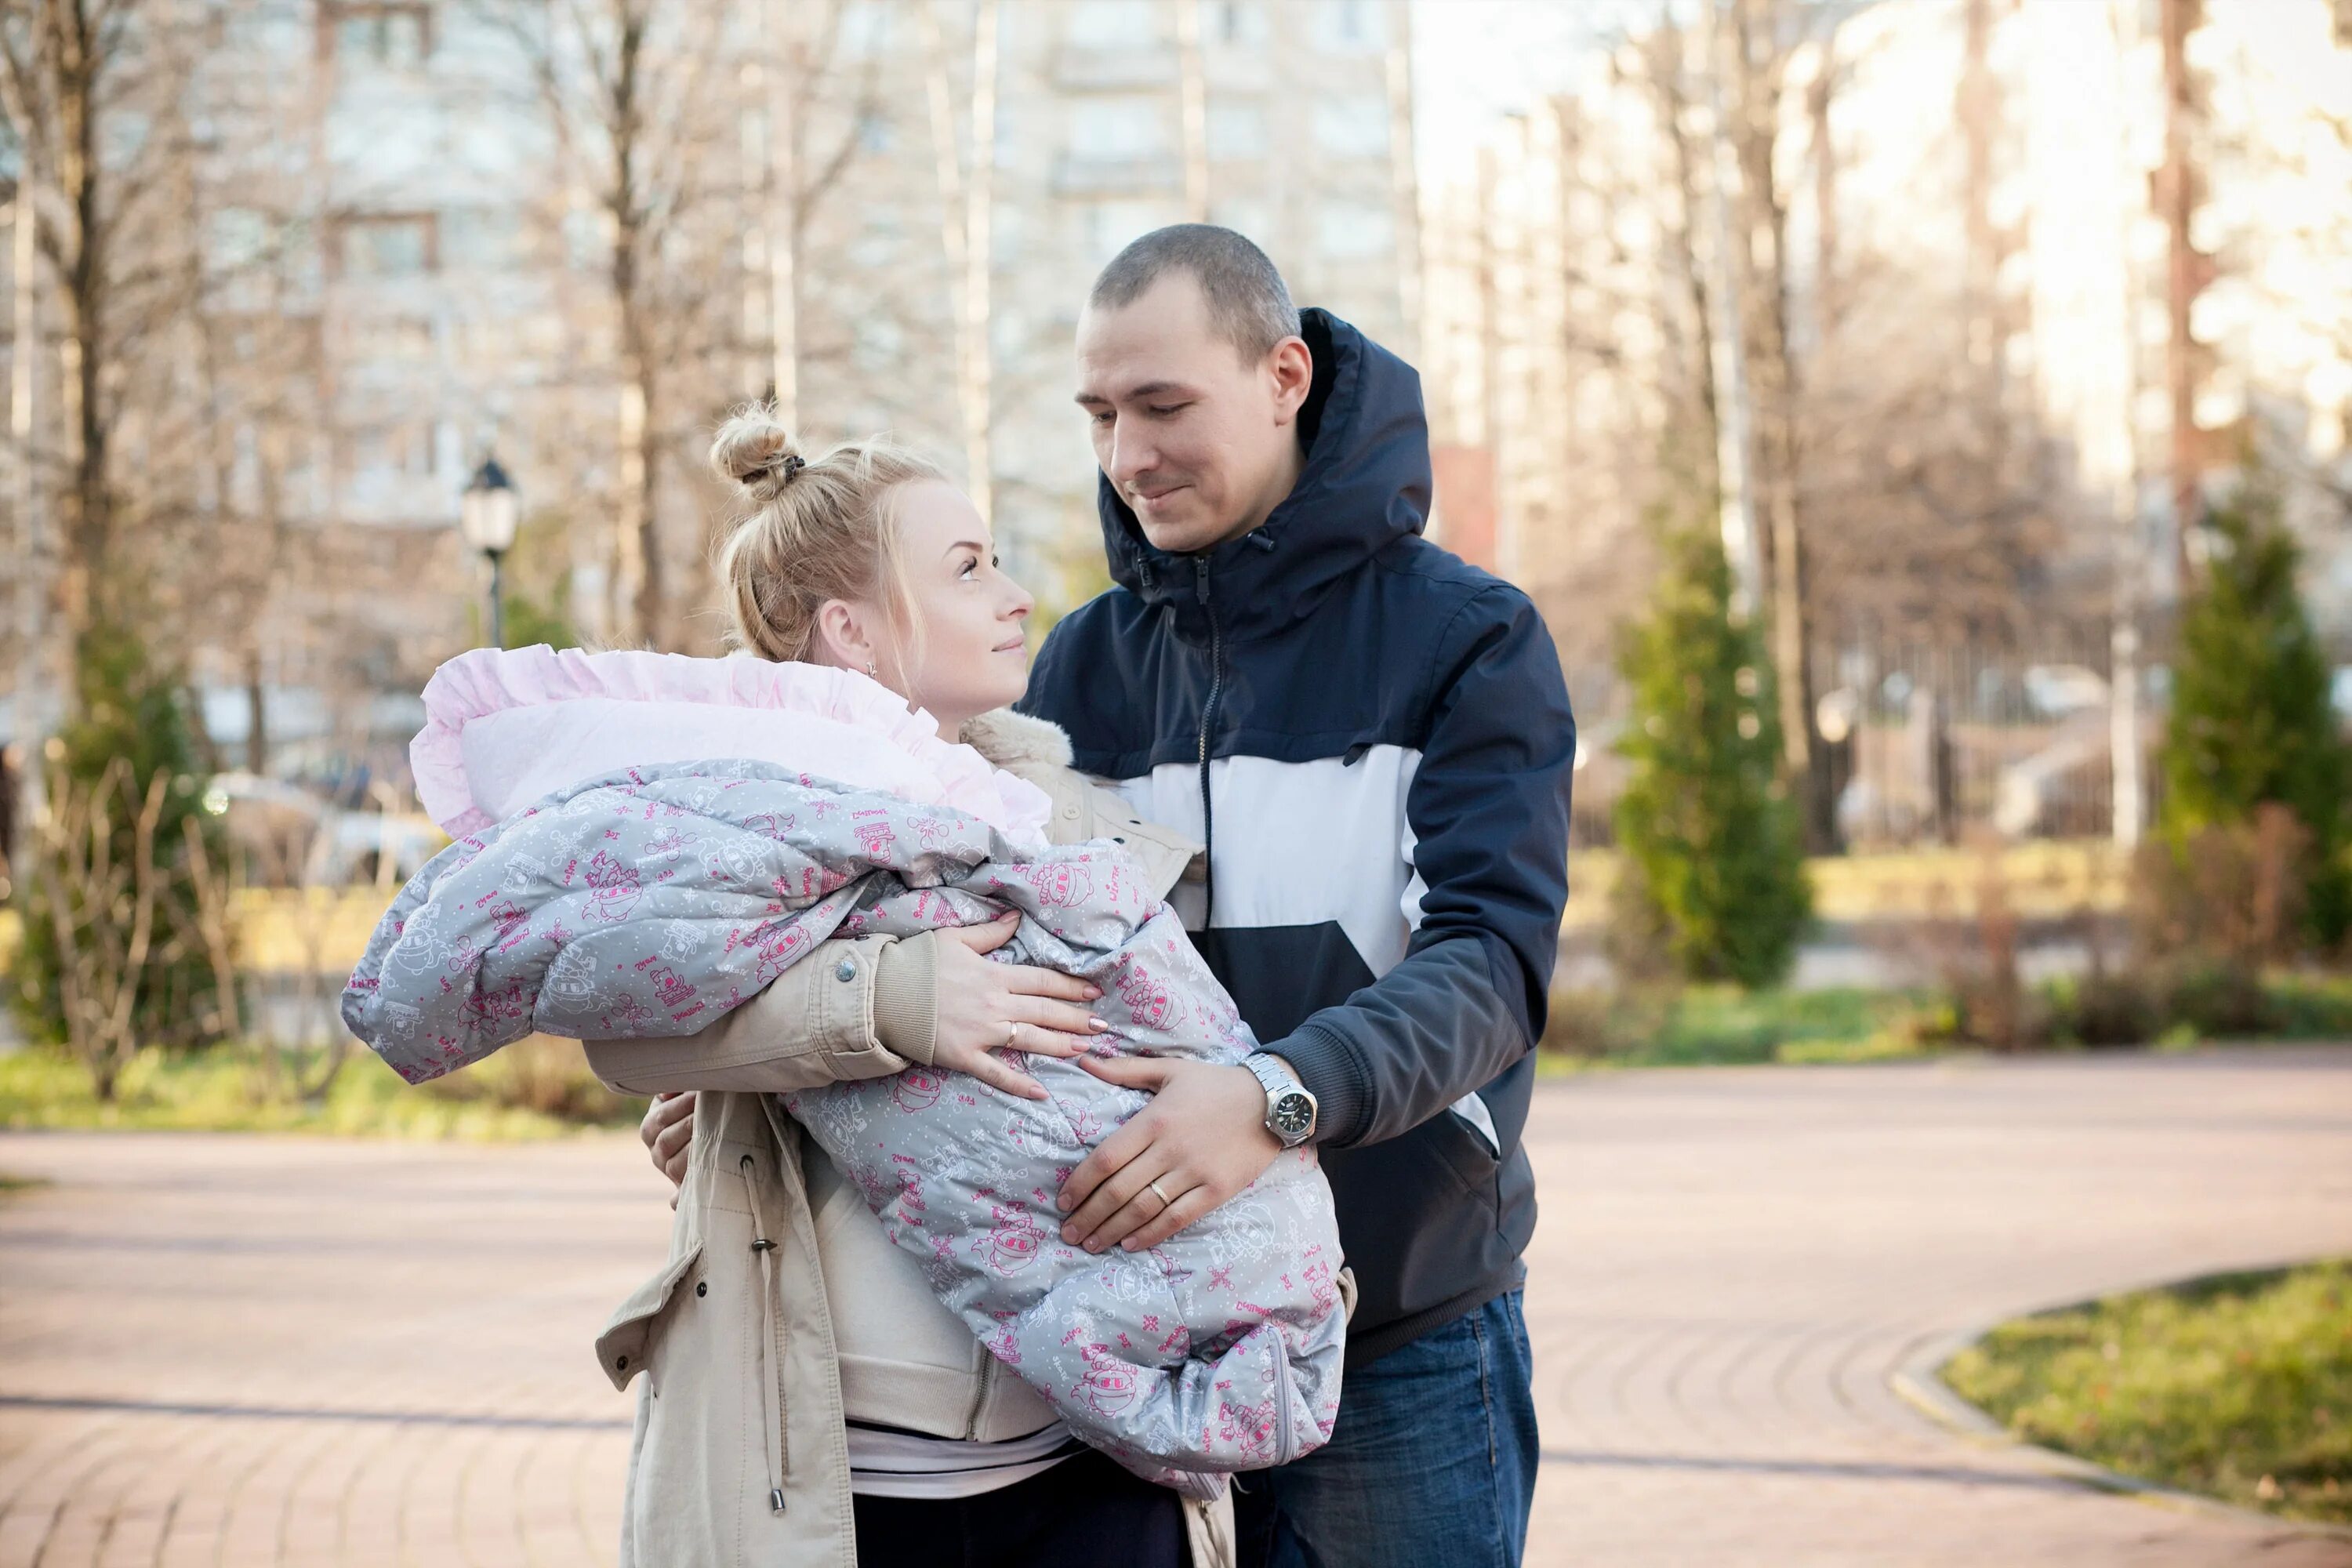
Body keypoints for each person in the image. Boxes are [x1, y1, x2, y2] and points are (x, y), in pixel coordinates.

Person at [598, 416, 1243, 1568]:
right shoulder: (731, 819)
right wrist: (894, 1001)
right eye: (967, 567)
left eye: (995, 558)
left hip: (1103, 1471)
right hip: (854, 1498)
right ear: (850, 629)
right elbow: (626, 1017)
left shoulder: (1068, 821)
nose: (1013, 594)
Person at [1025, 224, 1576, 1566]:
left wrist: (1278, 1096)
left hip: (1394, 1336)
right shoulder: (1075, 669)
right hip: (1128, 1347)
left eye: (1165, 406)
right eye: (1101, 414)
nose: (1127, 456)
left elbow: (1493, 962)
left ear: (1284, 376)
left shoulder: (1469, 640)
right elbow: (983, 952)